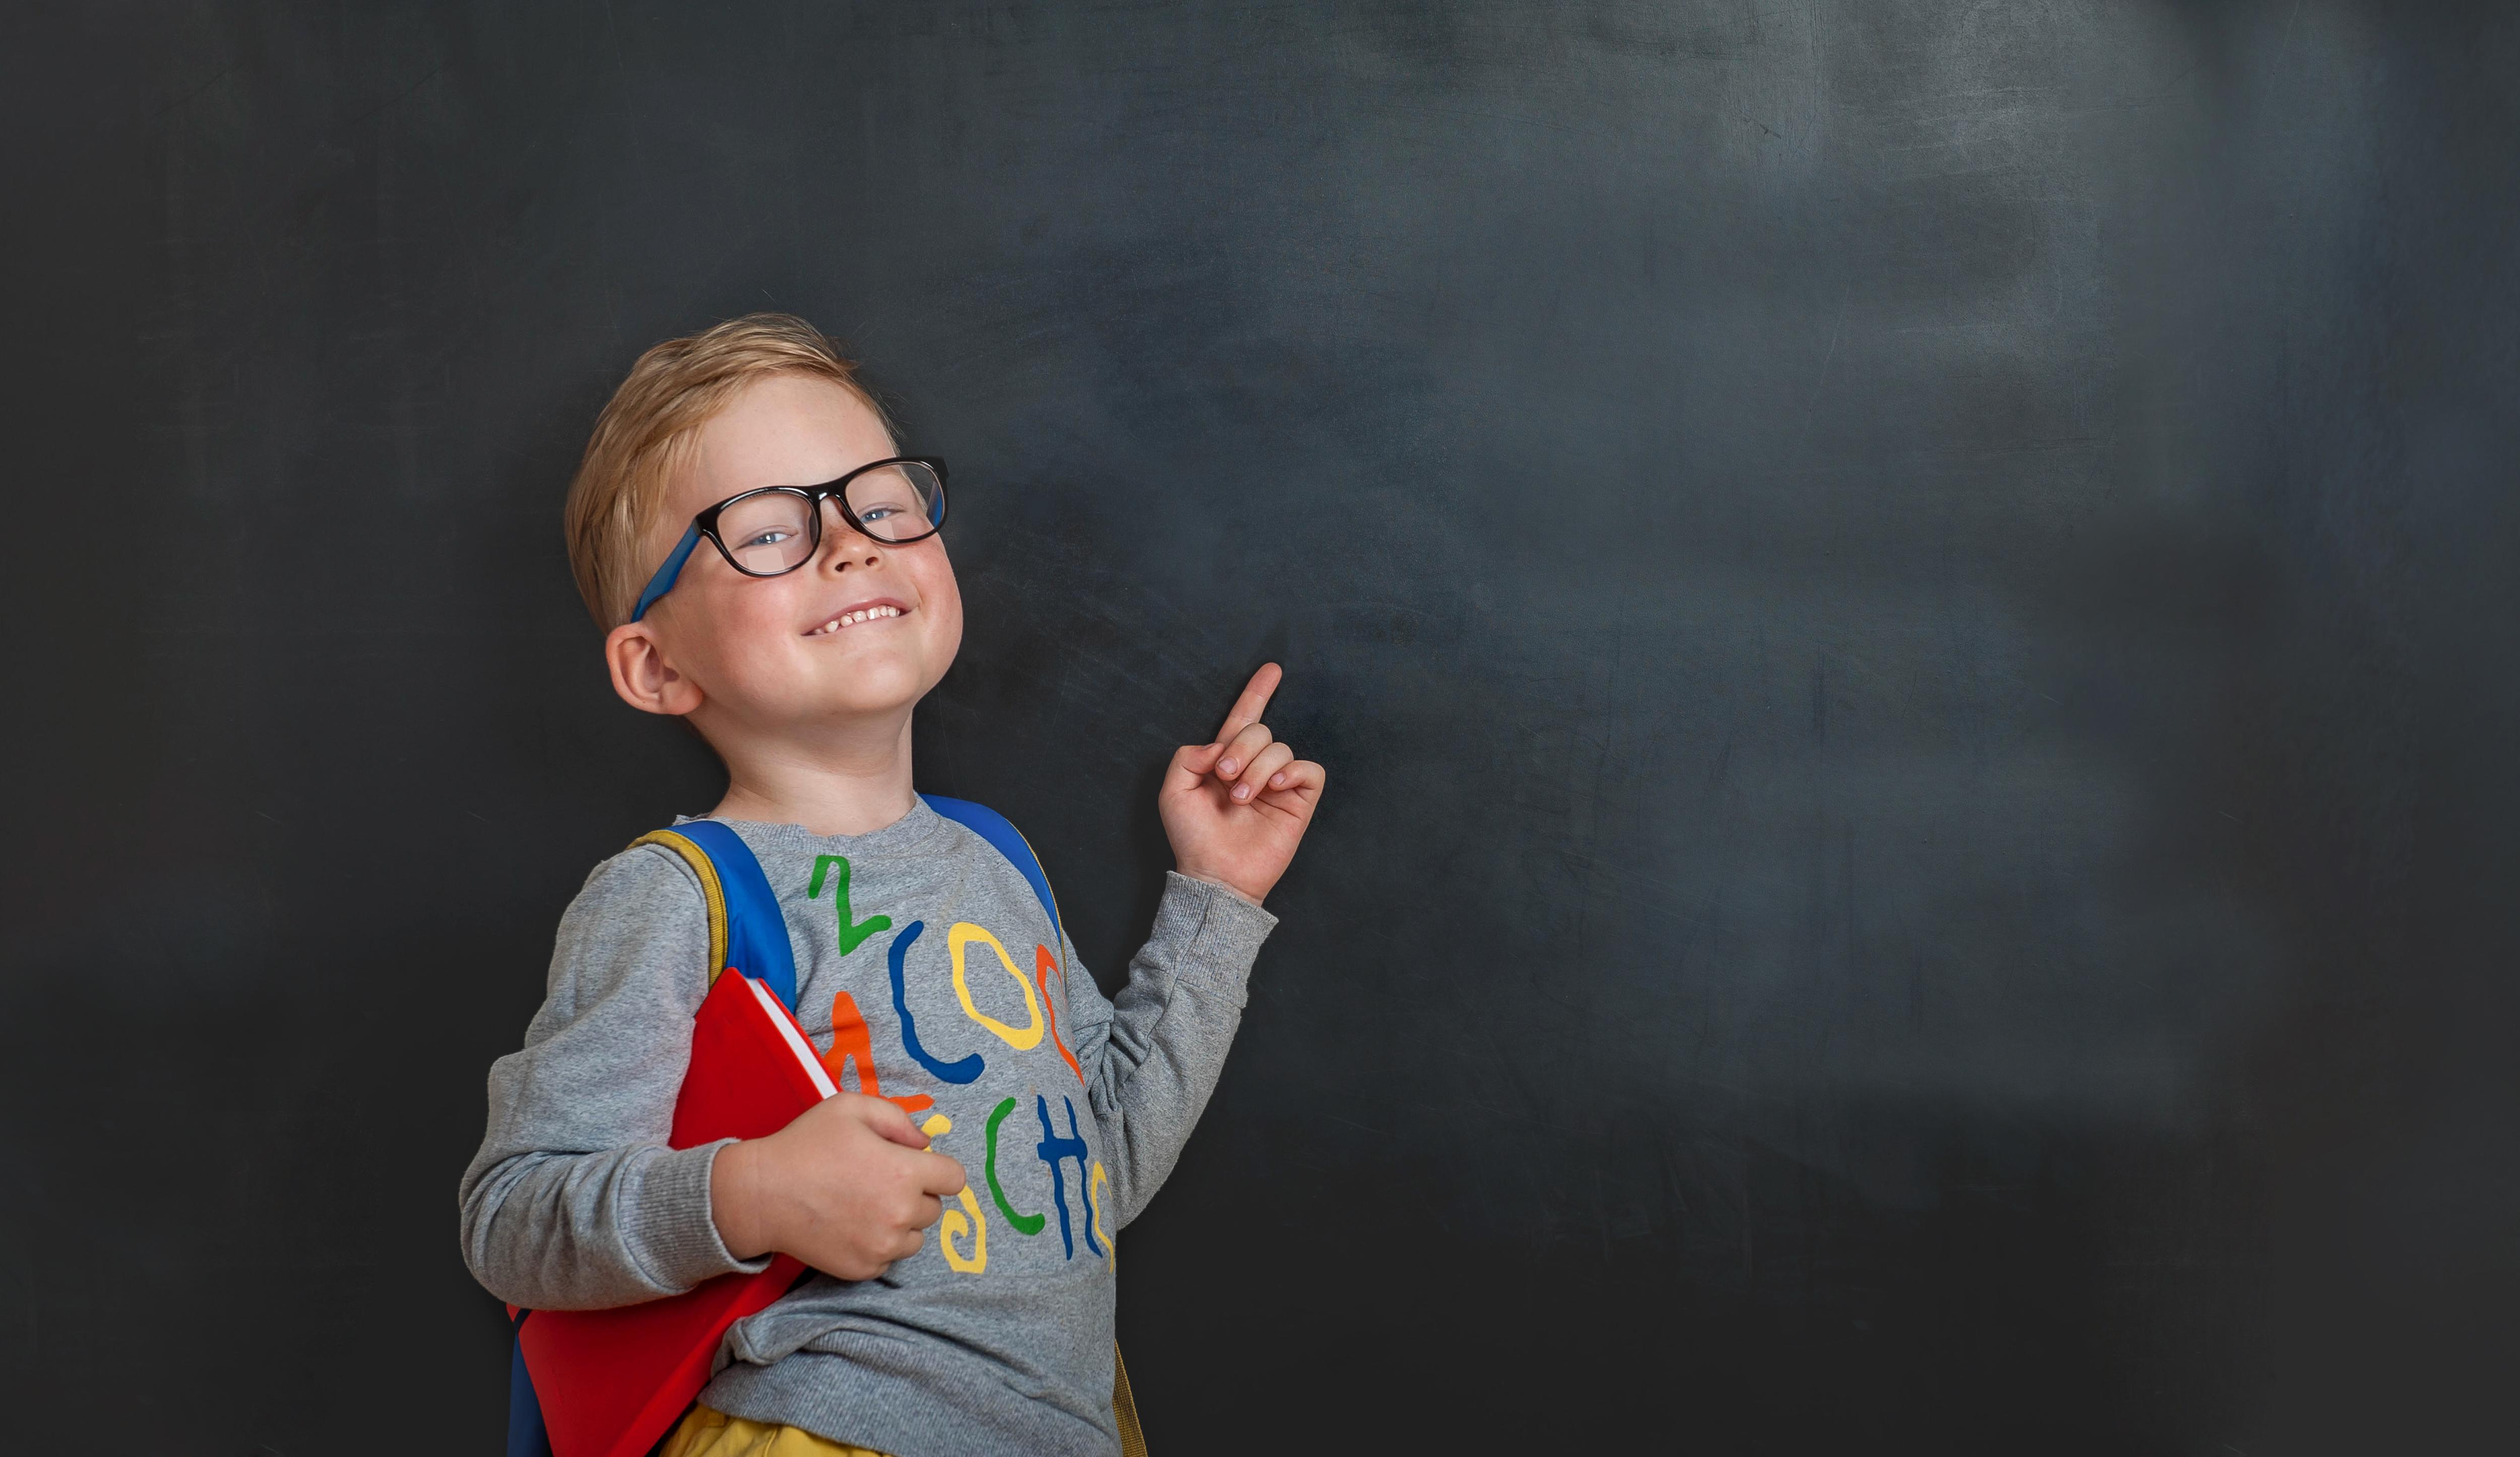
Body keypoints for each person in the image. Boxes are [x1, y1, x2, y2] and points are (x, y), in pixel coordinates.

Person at [458, 314, 1324, 1457]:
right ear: (657, 665)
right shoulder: (675, 896)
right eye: (768, 529)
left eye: (882, 501)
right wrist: (751, 1195)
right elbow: (513, 1215)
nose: (850, 543)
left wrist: (1215, 896)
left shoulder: (993, 858)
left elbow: (1095, 1173)